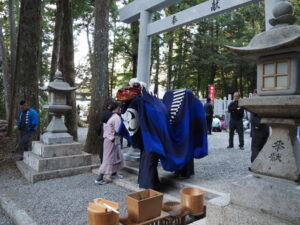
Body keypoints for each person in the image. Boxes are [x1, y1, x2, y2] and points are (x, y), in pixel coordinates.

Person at [95, 100, 125, 185]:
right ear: (116, 108)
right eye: (119, 107)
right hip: (112, 139)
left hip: (107, 139)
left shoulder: (108, 116)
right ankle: (99, 178)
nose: (120, 108)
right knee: (108, 158)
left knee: (116, 156)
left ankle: (114, 173)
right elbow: (119, 129)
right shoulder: (116, 117)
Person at [250, 90, 269, 163]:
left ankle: (255, 165)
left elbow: (253, 118)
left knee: (255, 147)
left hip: (258, 129)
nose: (254, 95)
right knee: (262, 148)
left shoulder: (255, 103)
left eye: (254, 94)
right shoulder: (267, 102)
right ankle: (261, 164)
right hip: (266, 128)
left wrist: (256, 126)